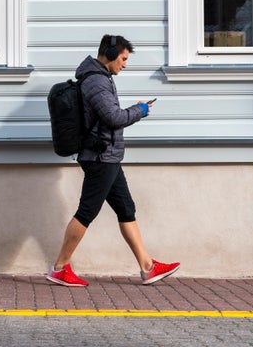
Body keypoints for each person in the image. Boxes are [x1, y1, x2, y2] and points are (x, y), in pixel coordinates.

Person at [46, 35, 180, 287]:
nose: (125, 65)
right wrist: (140, 110)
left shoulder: (98, 78)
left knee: (126, 209)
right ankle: (59, 268)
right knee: (86, 212)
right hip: (101, 157)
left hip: (108, 156)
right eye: (123, 58)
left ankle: (147, 267)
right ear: (109, 54)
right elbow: (113, 117)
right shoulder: (96, 81)